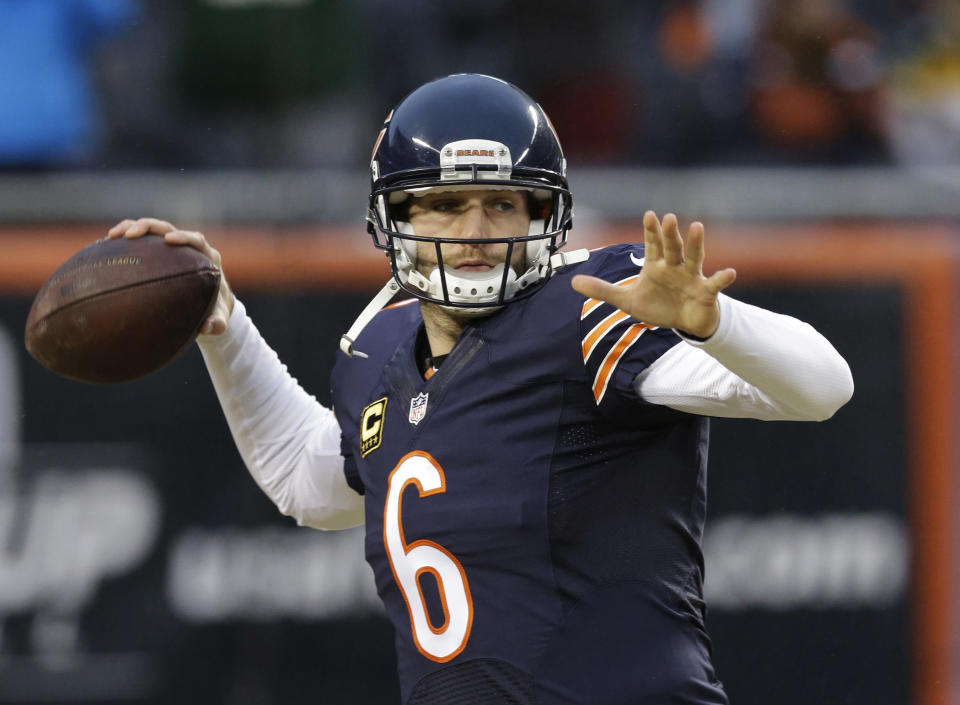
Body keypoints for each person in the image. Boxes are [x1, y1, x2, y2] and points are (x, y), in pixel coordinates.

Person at [107, 74, 853, 705]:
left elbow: (824, 386)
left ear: (544, 217)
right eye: (442, 203)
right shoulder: (377, 352)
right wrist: (225, 328)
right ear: (393, 216)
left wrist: (715, 322)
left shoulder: (592, 310)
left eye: (502, 204)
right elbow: (312, 483)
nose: (474, 230)